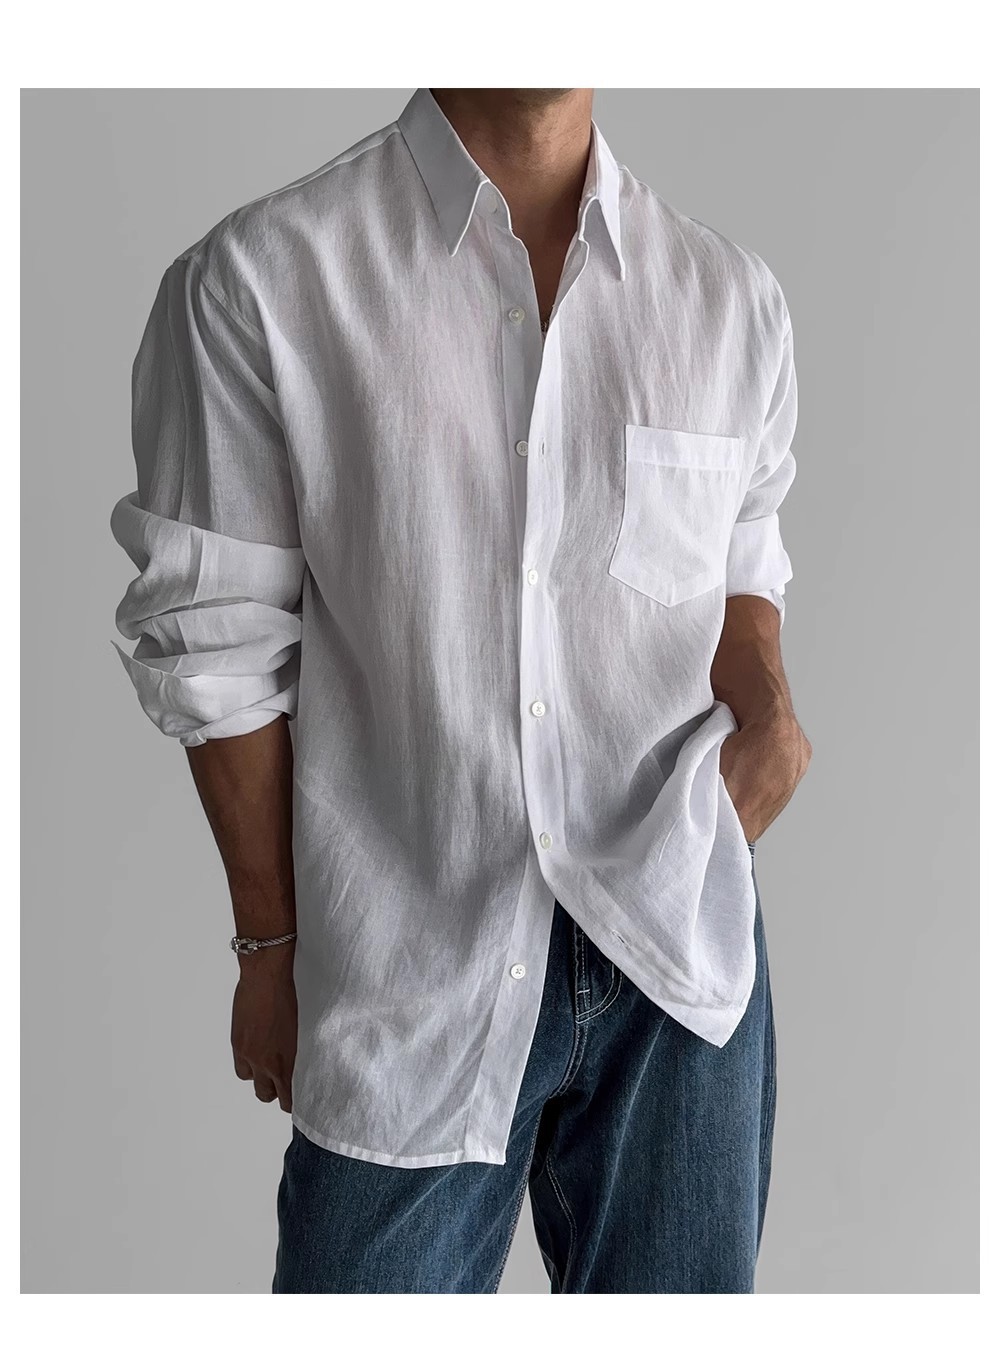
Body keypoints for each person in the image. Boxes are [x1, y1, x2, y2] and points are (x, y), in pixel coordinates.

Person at [111, 87, 811, 1294]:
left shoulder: (727, 298)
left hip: (677, 950)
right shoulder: (264, 278)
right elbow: (215, 648)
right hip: (408, 955)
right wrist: (270, 943)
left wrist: (775, 714)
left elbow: (739, 568)